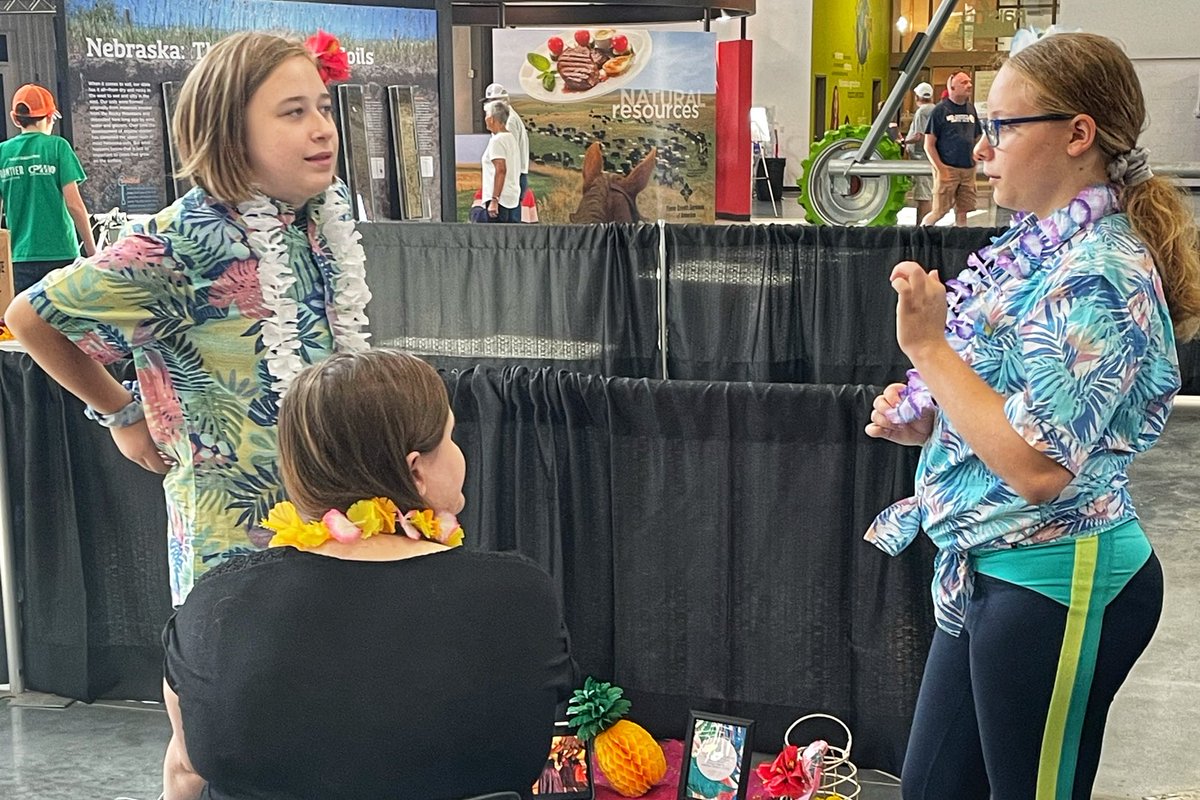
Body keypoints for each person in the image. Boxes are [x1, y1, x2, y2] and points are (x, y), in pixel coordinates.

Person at [865, 32, 1200, 799]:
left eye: (1003, 126)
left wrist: (929, 349)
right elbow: (1013, 414)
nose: (983, 149)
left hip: (1060, 574)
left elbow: (1040, 468)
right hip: (992, 566)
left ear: (1078, 134)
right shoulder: (1042, 250)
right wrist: (933, 420)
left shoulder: (1100, 275)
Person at [5, 32, 372, 605]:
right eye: (293, 112)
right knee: (222, 680)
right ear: (230, 130)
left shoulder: (324, 211)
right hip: (230, 532)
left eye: (323, 107)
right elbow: (31, 318)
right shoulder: (184, 237)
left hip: (333, 503)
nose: (322, 127)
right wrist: (121, 415)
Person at [161, 349, 577, 800]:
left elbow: (184, 770)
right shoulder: (521, 597)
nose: (461, 454)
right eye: (453, 437)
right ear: (415, 470)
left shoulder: (213, 606)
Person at [0, 84, 97, 294]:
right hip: (61, 254)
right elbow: (75, 205)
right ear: (50, 116)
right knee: (63, 323)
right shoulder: (58, 147)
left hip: (18, 257)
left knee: (24, 325)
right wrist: (92, 251)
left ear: (15, 119)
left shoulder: (2, 152)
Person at [921, 71, 982, 226]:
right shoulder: (940, 110)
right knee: (939, 211)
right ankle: (921, 235)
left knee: (963, 211)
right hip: (948, 168)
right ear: (952, 87)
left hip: (967, 169)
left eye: (969, 82)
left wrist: (975, 159)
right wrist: (941, 168)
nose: (969, 85)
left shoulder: (971, 109)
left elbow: (976, 136)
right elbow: (929, 144)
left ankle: (960, 243)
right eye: (964, 83)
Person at [482, 82, 530, 204]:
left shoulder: (509, 122)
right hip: (511, 179)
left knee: (505, 219)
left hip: (509, 181)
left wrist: (495, 197)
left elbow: (507, 160)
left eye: (494, 102)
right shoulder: (509, 119)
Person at [481, 99, 522, 222]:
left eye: (486, 115)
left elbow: (501, 169)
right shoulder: (511, 138)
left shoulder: (496, 140)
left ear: (492, 118)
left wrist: (494, 199)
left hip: (500, 200)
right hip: (511, 197)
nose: (485, 119)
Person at [904, 81, 936, 223]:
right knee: (925, 194)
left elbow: (919, 135)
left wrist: (903, 141)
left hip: (921, 159)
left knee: (924, 196)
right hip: (927, 158)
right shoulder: (935, 109)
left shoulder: (922, 112)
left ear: (917, 97)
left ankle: (923, 227)